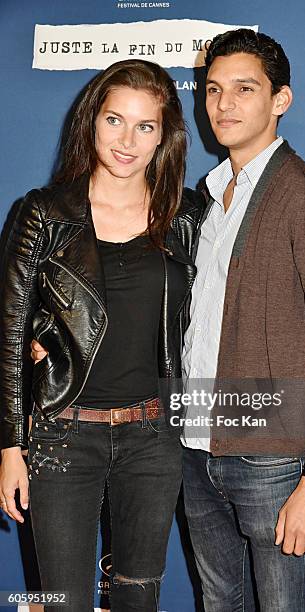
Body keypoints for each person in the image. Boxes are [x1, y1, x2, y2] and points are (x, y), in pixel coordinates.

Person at [0, 59, 202, 612]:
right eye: (115, 120)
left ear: (164, 135)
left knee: (139, 599)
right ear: (92, 120)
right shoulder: (43, 213)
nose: (127, 141)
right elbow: (10, 334)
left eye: (145, 126)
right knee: (62, 601)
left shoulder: (187, 215)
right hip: (64, 438)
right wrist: (10, 446)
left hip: (153, 439)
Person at [181, 29, 305, 611]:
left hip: (274, 461)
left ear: (280, 100)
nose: (224, 105)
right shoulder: (206, 201)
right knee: (219, 603)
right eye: (213, 90)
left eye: (244, 89)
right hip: (193, 445)